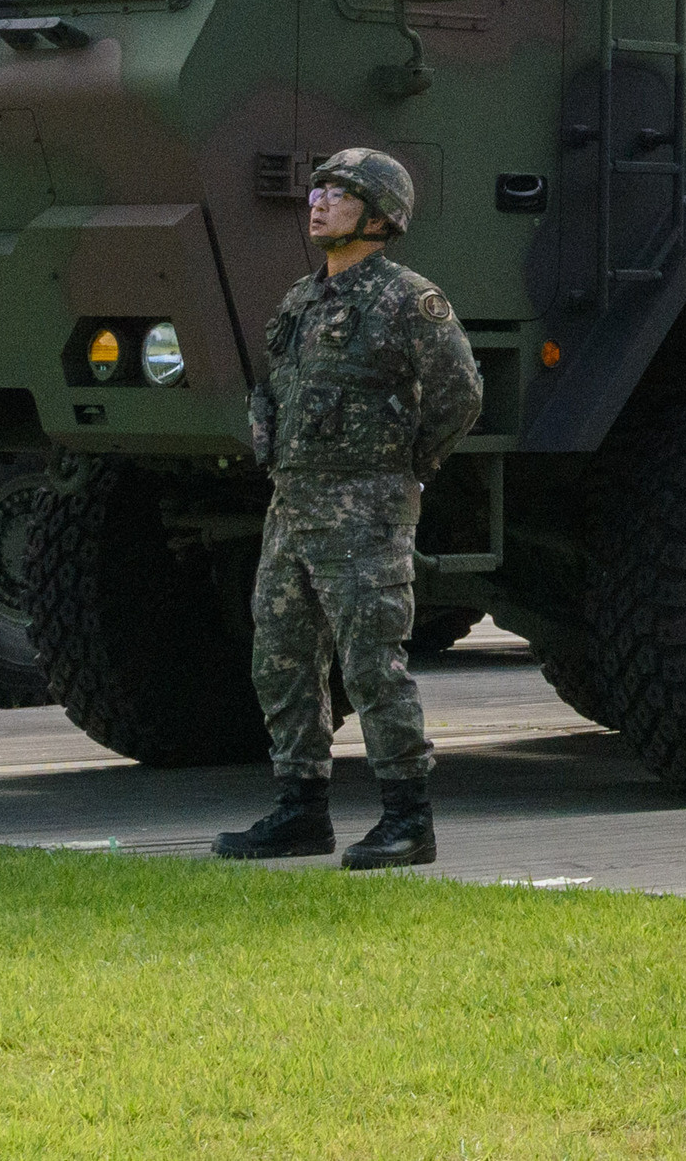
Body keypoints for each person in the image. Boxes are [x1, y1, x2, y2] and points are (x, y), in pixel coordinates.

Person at [215, 147, 481, 872]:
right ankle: (301, 811)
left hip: (364, 512)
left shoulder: (407, 300)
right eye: (318, 190)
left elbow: (461, 394)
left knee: (372, 666)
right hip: (293, 509)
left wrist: (410, 467)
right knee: (283, 660)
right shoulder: (302, 301)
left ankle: (407, 819)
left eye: (339, 191)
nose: (317, 201)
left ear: (378, 214)